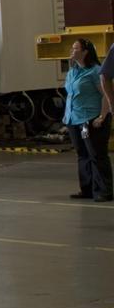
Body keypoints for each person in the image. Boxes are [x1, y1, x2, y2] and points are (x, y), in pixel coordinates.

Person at [69, 39, 111, 201]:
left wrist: (102, 116)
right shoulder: (73, 71)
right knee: (82, 155)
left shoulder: (95, 71)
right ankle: (86, 189)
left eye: (75, 48)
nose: (72, 51)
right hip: (75, 120)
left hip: (92, 119)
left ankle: (104, 190)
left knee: (97, 155)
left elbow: (106, 95)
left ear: (85, 51)